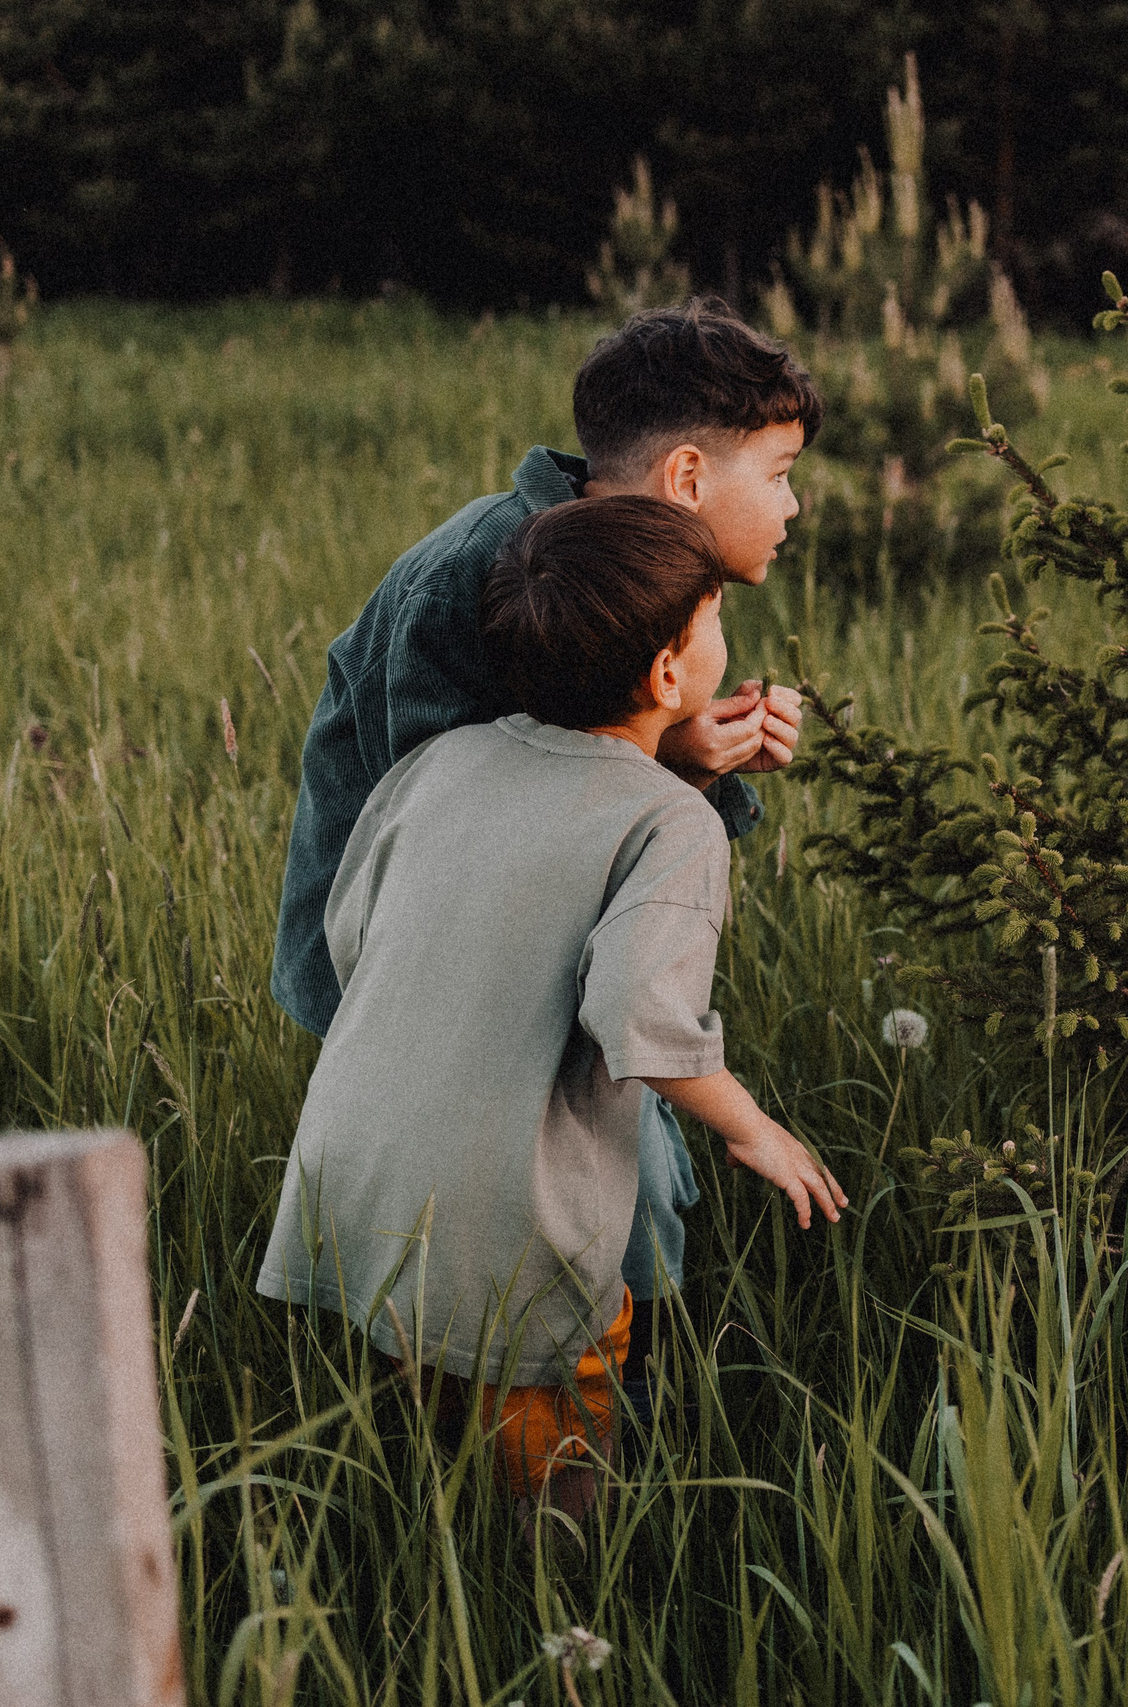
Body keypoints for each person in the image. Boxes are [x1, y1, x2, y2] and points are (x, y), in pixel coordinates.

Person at [257, 496, 846, 1507]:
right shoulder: (669, 822)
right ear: (670, 672)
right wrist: (758, 1132)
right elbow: (643, 1023)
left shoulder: (440, 762)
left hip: (354, 1189)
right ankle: (567, 1648)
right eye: (712, 620)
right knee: (554, 1519)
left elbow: (351, 933)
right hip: (510, 1230)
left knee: (425, 1459)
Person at [270, 296, 819, 1375]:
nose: (796, 505)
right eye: (783, 471)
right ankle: (544, 1415)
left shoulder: (638, 565)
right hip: (416, 968)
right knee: (518, 1187)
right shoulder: (489, 576)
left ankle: (614, 1363)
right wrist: (672, 762)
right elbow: (467, 818)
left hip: (531, 958)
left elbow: (585, 783)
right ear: (690, 479)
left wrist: (687, 754)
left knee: (625, 1168)